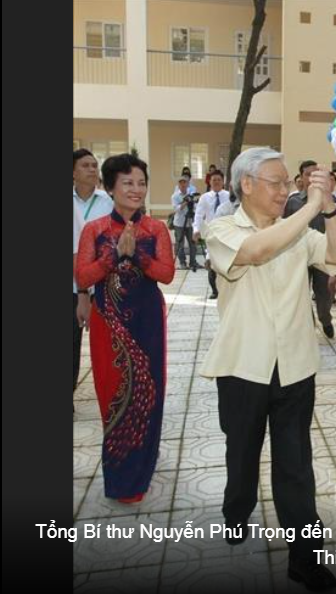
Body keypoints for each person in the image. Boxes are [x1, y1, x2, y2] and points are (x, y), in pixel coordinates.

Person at [200, 147, 336, 590]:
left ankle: (305, 557)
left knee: (295, 464)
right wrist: (308, 209)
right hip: (244, 365)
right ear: (247, 184)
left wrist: (331, 208)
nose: (286, 190)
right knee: (242, 452)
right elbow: (259, 251)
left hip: (296, 366)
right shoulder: (222, 228)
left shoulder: (298, 231)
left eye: (289, 183)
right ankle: (236, 510)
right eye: (277, 183)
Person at [75, 153, 175, 502]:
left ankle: (143, 470)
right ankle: (119, 478)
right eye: (128, 183)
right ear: (110, 187)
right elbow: (83, 276)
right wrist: (113, 255)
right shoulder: (95, 229)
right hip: (109, 324)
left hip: (147, 320)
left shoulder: (156, 228)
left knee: (150, 395)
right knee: (114, 395)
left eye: (141, 183)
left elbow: (167, 274)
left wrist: (140, 257)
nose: (136, 189)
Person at [73, 149, 114, 398]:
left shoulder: (107, 202)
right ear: (73, 172)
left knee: (107, 342)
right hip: (73, 285)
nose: (92, 169)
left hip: (102, 283)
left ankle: (112, 392)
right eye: (86, 165)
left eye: (94, 165)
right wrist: (81, 293)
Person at [284, 160, 336, 338]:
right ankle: (309, 323)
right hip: (299, 256)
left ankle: (326, 319)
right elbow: (284, 229)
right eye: (308, 174)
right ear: (301, 177)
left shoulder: (330, 200)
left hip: (322, 255)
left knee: (324, 295)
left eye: (315, 174)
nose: (312, 178)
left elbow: (335, 230)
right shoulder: (293, 202)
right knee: (301, 295)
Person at [193, 170, 230, 299]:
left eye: (219, 180)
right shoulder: (205, 197)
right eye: (214, 180)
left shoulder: (229, 196)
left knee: (224, 262)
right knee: (210, 260)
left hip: (226, 234)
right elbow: (198, 215)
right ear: (210, 181)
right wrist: (196, 230)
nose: (216, 182)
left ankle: (225, 288)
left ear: (223, 181)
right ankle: (214, 290)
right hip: (211, 234)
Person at [171, 175, 198, 271]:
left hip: (190, 222)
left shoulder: (191, 195)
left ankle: (193, 262)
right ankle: (182, 263)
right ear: (178, 184)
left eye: (184, 182)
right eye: (181, 182)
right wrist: (186, 202)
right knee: (180, 244)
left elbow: (196, 207)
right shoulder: (175, 196)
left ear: (187, 184)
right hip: (179, 223)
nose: (182, 184)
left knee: (193, 243)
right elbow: (176, 209)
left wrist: (192, 202)